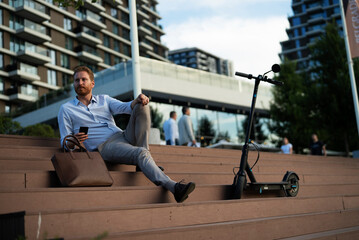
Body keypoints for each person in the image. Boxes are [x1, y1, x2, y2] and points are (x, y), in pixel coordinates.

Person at [57, 66, 195, 203]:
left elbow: (125, 107)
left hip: (123, 135)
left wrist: (138, 99)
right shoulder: (66, 109)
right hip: (104, 147)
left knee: (142, 106)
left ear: (92, 83)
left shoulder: (104, 99)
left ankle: (143, 162)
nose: (80, 83)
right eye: (77, 80)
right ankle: (175, 188)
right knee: (141, 153)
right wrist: (73, 140)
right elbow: (64, 141)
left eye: (84, 79)